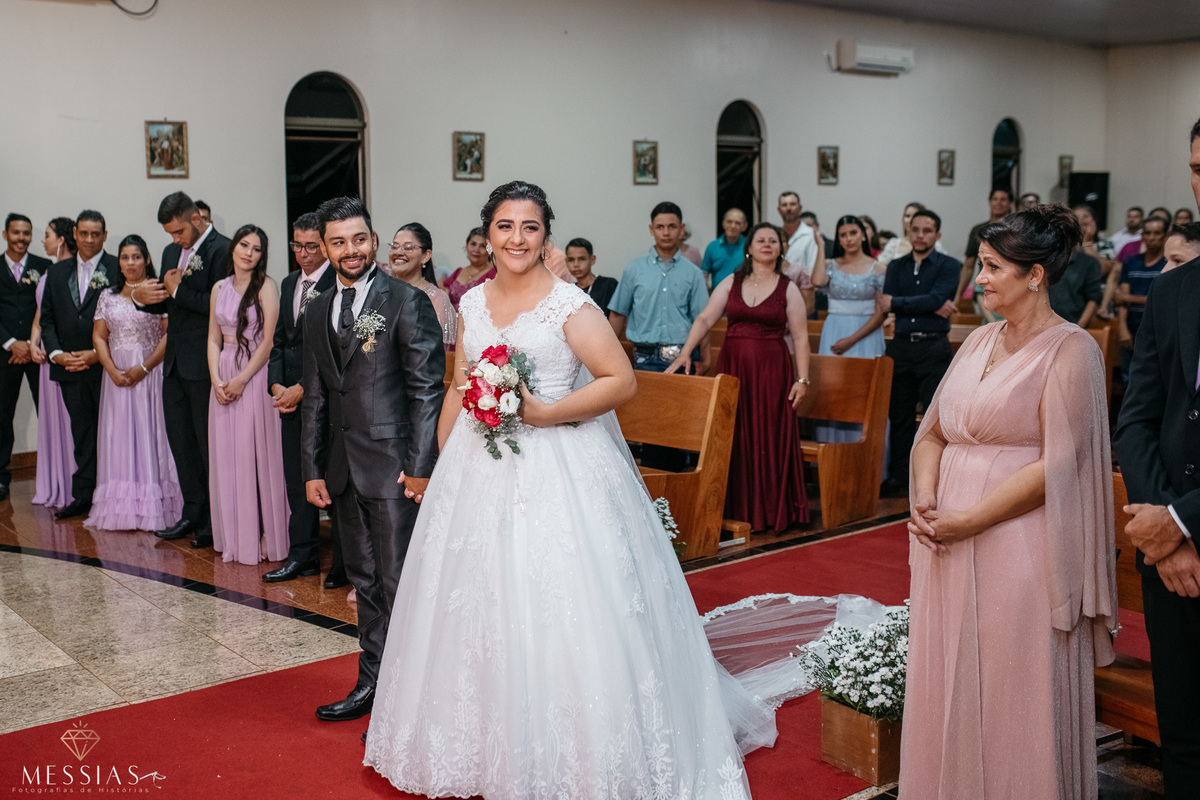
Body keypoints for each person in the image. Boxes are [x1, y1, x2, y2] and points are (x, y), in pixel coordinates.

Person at [364, 180, 767, 798]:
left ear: (544, 235)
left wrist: (547, 413)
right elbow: (459, 384)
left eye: (529, 227)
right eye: (504, 226)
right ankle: (481, 745)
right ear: (487, 235)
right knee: (475, 602)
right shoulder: (471, 302)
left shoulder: (569, 305)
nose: (516, 238)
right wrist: (441, 462)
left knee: (560, 602)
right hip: (479, 464)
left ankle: (577, 751)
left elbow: (620, 380)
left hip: (559, 464)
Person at [900, 205, 1116, 799]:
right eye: (981, 264)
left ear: (1035, 275)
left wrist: (970, 519)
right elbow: (933, 433)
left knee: (1011, 683)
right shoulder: (977, 340)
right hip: (944, 540)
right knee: (948, 674)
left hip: (1017, 543)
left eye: (994, 267)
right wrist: (927, 497)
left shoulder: (1071, 350)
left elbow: (1059, 464)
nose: (980, 279)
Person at [300, 197, 445, 723]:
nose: (351, 250)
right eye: (338, 242)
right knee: (364, 583)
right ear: (325, 247)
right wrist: (313, 468)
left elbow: (427, 390)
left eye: (359, 239)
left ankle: (411, 704)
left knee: (400, 584)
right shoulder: (317, 308)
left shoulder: (406, 301)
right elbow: (316, 396)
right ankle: (373, 685)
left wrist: (421, 467)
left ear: (373, 240)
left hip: (395, 469)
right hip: (343, 471)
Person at [665, 221, 811, 532]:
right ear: (749, 247)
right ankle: (733, 507)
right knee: (733, 433)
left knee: (767, 436)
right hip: (733, 368)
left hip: (772, 373)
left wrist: (802, 380)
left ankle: (768, 512)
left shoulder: (788, 287)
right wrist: (685, 352)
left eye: (773, 241)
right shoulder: (732, 281)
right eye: (761, 240)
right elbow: (705, 318)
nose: (767, 245)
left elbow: (800, 337)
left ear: (781, 249)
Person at [131, 192, 231, 550]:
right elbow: (167, 305)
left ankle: (214, 522)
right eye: (170, 234)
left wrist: (177, 290)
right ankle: (192, 513)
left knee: (206, 446)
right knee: (182, 444)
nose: (174, 240)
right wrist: (140, 299)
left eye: (178, 231)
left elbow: (220, 308)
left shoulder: (223, 250)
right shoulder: (170, 252)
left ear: (195, 219)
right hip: (173, 362)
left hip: (203, 363)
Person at [262, 213, 342, 586]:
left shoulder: (337, 281)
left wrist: (303, 387)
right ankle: (303, 556)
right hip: (290, 399)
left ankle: (342, 564)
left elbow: (336, 349)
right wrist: (276, 385)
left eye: (311, 246)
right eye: (298, 245)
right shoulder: (289, 282)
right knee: (297, 479)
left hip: (325, 398)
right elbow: (280, 339)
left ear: (324, 246)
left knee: (332, 480)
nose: (304, 254)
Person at [84, 235, 180, 531]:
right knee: (119, 435)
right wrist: (111, 369)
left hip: (150, 373)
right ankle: (122, 507)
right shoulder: (108, 295)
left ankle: (156, 506)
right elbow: (99, 336)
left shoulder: (157, 291)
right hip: (116, 377)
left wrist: (144, 367)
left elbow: (170, 334)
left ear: (146, 259)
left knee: (152, 432)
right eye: (125, 257)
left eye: (136, 257)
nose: (130, 263)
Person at [206, 225, 287, 566]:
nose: (248, 253)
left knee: (255, 454)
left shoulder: (266, 286)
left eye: (256, 249)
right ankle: (236, 537)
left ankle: (267, 536)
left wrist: (241, 379)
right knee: (227, 456)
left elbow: (269, 341)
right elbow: (213, 338)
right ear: (234, 248)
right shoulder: (218, 288)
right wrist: (216, 379)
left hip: (254, 372)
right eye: (244, 245)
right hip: (224, 371)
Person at [39, 210, 120, 520]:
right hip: (69, 366)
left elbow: (126, 318)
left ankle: (112, 494)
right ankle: (84, 495)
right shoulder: (56, 272)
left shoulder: (117, 267)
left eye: (95, 234)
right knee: (82, 432)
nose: (89, 239)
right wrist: (57, 353)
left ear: (104, 235)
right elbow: (47, 319)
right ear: (74, 233)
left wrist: (97, 353)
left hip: (105, 366)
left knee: (111, 432)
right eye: (83, 233)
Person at [878, 209, 960, 496]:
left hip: (932, 346)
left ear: (937, 235)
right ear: (908, 232)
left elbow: (936, 297)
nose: (920, 235)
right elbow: (886, 302)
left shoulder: (949, 265)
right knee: (899, 415)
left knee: (933, 419)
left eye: (927, 231)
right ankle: (899, 478)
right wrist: (928, 304)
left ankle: (935, 482)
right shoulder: (896, 266)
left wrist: (901, 302)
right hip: (901, 345)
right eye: (915, 230)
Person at [810, 216, 887, 445]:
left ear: (863, 235)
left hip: (866, 334)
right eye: (843, 235)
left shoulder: (878, 268)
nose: (848, 239)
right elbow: (817, 281)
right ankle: (830, 451)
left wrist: (852, 339)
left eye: (853, 233)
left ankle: (865, 452)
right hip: (834, 329)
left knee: (864, 391)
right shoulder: (830, 265)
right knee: (832, 389)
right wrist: (821, 246)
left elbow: (881, 313)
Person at [0, 214, 51, 501]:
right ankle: (0, 476)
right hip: (4, 354)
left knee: (49, 411)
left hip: (38, 352)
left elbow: (48, 308)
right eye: (16, 232)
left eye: (26, 233)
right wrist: (11, 344)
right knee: (1, 414)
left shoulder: (44, 267)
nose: (22, 238)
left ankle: (54, 471)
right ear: (5, 235)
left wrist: (31, 345)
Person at [31, 218, 77, 508]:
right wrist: (33, 342)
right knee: (51, 419)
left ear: (61, 239)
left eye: (46, 235)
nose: (43, 240)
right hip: (47, 354)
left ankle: (73, 482)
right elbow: (41, 313)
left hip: (65, 353)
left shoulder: (73, 272)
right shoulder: (49, 272)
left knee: (71, 419)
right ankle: (55, 482)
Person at [382, 222, 456, 347]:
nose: (398, 252)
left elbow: (438, 353)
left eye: (408, 247)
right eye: (394, 246)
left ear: (426, 256)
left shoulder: (436, 299)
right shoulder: (379, 291)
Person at [1116, 216, 1167, 354]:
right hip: (1131, 329)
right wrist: (1122, 328)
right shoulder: (1131, 262)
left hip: (1158, 331)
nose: (1152, 238)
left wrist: (1129, 298)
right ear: (1142, 235)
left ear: (1165, 236)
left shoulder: (1168, 264)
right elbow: (1121, 299)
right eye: (1148, 233)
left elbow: (1162, 301)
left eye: (1157, 233)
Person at [956, 188, 1013, 309]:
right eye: (995, 199)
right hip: (984, 290)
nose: (998, 203)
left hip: (1010, 290)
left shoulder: (1016, 231)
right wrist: (957, 295)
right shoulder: (978, 230)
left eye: (1003, 199)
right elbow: (968, 266)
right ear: (989, 202)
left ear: (1010, 203)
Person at [1047, 245, 1103, 328]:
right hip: (1045, 325)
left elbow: (1094, 298)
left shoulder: (1089, 262)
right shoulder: (1046, 260)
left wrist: (1079, 327)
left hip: (1074, 323)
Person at [442, 227, 495, 310]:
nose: (476, 250)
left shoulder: (494, 274)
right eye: (473, 244)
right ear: (466, 246)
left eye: (482, 246)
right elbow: (443, 293)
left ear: (489, 250)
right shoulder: (458, 272)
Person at [878, 201, 947, 263]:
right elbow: (880, 265)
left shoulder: (935, 244)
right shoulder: (894, 244)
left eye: (914, 216)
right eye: (907, 216)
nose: (910, 220)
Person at [564, 237, 617, 316]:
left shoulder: (609, 285)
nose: (576, 264)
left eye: (582, 259)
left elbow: (619, 317)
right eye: (571, 260)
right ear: (566, 262)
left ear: (592, 259)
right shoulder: (568, 291)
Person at [701, 208, 747, 289]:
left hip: (744, 294)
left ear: (744, 226)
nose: (733, 226)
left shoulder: (749, 246)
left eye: (737, 223)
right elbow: (704, 274)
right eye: (729, 222)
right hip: (717, 295)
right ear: (723, 223)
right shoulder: (712, 247)